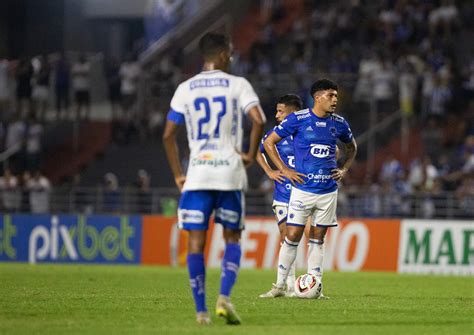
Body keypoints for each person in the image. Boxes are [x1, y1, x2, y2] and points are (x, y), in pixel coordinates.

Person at [163, 32, 265, 325]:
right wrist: (248, 154)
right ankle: (224, 296)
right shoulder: (238, 85)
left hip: (197, 174)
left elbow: (168, 134)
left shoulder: (185, 88)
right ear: (221, 55)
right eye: (230, 54)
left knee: (196, 242)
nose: (231, 59)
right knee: (232, 237)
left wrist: (178, 174)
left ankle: (201, 312)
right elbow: (258, 119)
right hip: (229, 173)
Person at [261, 79, 357, 298]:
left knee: (318, 238)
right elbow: (269, 143)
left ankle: (316, 286)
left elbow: (352, 148)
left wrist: (344, 169)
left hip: (328, 191)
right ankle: (279, 285)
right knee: (292, 235)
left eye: (336, 96)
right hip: (303, 189)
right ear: (317, 97)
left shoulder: (339, 123)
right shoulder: (298, 119)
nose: (335, 100)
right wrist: (284, 170)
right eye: (330, 95)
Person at [255, 94, 303, 297]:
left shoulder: (305, 132)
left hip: (305, 193)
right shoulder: (275, 135)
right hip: (283, 194)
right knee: (286, 238)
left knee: (310, 237)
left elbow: (333, 150)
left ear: (293, 113)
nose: (276, 115)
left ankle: (312, 283)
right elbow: (257, 151)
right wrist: (269, 172)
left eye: (280, 111)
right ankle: (287, 285)